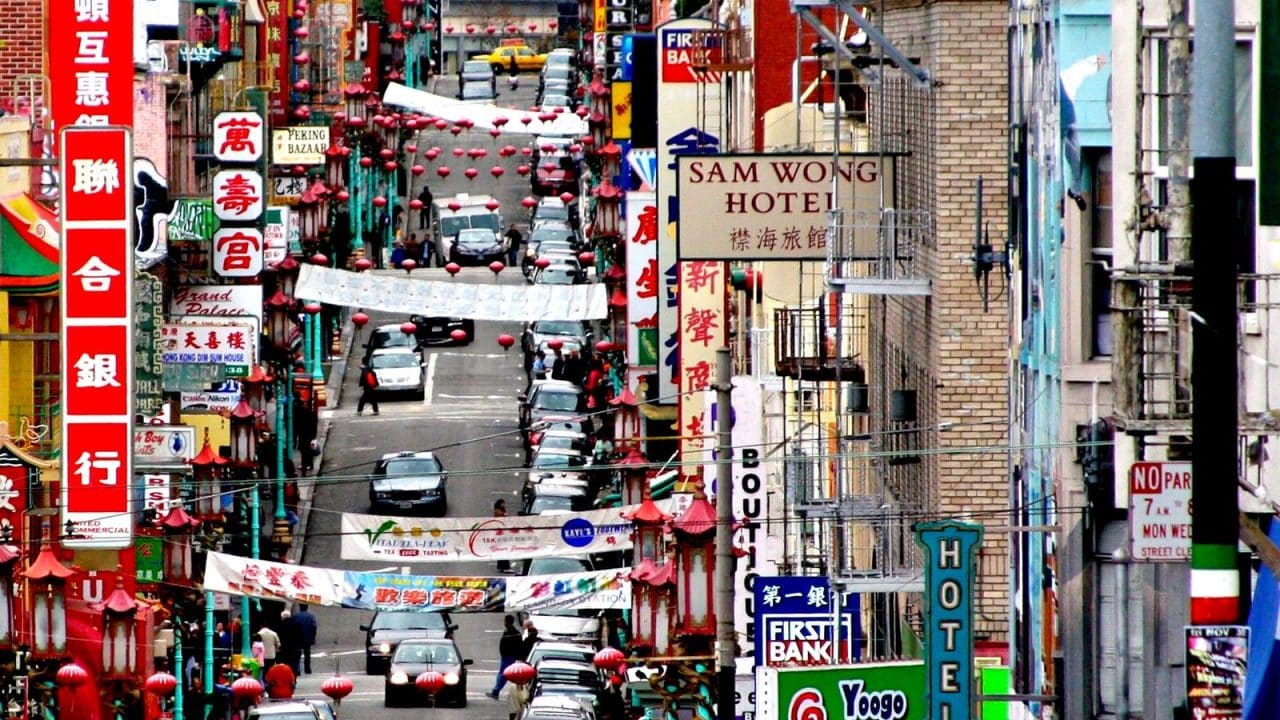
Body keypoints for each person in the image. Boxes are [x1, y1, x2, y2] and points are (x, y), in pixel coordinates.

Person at [489, 615, 522, 699]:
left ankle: (496, 691)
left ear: (507, 622)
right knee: (503, 674)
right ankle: (496, 691)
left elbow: (517, 646)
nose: (504, 623)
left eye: (505, 621)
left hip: (509, 657)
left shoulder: (513, 633)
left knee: (504, 674)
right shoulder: (511, 632)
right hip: (506, 656)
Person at [294, 603, 318, 674]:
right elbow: (314, 627)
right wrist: (313, 637)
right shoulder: (311, 616)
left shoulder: (296, 616)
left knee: (297, 654)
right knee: (307, 654)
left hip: (298, 638)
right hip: (308, 638)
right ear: (307, 607)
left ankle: (297, 669)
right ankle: (307, 669)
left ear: (300, 607)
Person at [278, 610, 304, 676]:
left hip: (285, 649)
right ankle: (294, 678)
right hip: (297, 648)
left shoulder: (281, 625)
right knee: (295, 664)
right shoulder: (297, 624)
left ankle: (288, 678)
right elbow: (301, 635)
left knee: (286, 665)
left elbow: (279, 637)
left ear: (282, 617)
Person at [493, 500, 512, 573]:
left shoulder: (501, 510)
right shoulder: (498, 511)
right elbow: (502, 517)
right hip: (500, 533)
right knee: (503, 549)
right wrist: (505, 515)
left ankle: (502, 566)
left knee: (503, 549)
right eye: (503, 503)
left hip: (502, 532)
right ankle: (504, 566)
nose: (504, 505)